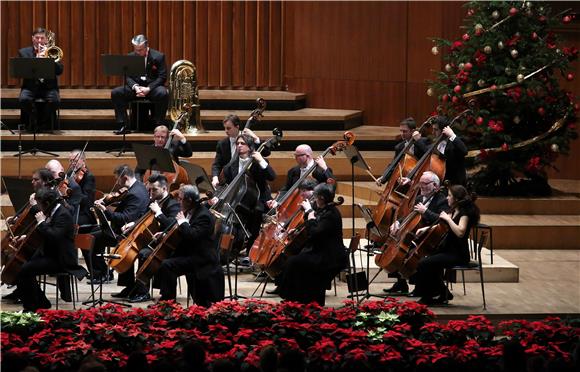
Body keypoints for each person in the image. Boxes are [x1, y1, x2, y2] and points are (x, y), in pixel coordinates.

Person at [14, 188, 87, 312]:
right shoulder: (53, 211)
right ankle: (41, 302)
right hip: (51, 254)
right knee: (21, 267)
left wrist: (41, 222)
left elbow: (55, 236)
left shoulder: (62, 214)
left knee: (24, 270)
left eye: (40, 205)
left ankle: (31, 308)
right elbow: (46, 232)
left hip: (61, 259)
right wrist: (25, 237)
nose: (39, 208)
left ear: (47, 203)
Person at [277, 183, 348, 305]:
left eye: (315, 196)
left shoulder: (331, 214)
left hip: (330, 256)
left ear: (321, 198)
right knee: (294, 260)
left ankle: (297, 299)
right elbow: (314, 229)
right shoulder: (325, 210)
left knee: (293, 262)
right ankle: (298, 299)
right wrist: (299, 230)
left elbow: (315, 232)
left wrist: (310, 214)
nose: (314, 199)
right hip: (321, 250)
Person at [156, 184, 224, 306]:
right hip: (191, 253)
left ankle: (168, 304)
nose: (178, 201)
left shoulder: (203, 216)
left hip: (202, 258)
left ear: (189, 200)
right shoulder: (190, 211)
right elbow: (183, 232)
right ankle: (166, 300)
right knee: (166, 261)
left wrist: (182, 221)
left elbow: (192, 236)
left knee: (168, 265)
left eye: (181, 199)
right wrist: (164, 234)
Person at [381, 171, 448, 295]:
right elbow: (410, 215)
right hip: (416, 235)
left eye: (425, 183)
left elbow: (443, 220)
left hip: (431, 238)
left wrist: (425, 211)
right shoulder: (419, 198)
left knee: (410, 254)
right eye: (420, 183)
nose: (421, 186)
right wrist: (398, 223)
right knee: (399, 251)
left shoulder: (441, 200)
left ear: (435, 185)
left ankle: (420, 287)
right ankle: (401, 284)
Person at [413, 185, 480, 305]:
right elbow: (443, 226)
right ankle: (443, 293)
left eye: (449, 196)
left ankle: (428, 297)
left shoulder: (465, 213)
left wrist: (448, 220)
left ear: (456, 198)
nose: (447, 198)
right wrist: (426, 229)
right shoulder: (454, 210)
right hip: (448, 250)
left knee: (424, 264)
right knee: (425, 262)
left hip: (458, 254)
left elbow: (460, 232)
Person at [118, 174, 180, 303]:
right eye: (150, 189)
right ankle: (130, 287)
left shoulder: (172, 204)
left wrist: (159, 213)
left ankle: (143, 291)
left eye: (155, 190)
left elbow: (172, 225)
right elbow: (143, 217)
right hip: (151, 240)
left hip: (165, 245)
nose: (151, 192)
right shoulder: (153, 201)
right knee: (124, 245)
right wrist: (132, 224)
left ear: (164, 189)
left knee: (143, 254)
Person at [214, 133, 277, 254]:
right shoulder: (232, 164)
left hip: (258, 197)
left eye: (242, 143)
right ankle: (225, 248)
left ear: (250, 146)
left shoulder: (259, 161)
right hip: (237, 198)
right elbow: (223, 185)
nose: (239, 146)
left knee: (257, 211)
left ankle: (250, 249)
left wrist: (261, 160)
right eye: (237, 143)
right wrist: (217, 197)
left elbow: (272, 177)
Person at [86, 165, 149, 284]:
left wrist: (105, 211)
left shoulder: (135, 194)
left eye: (117, 179)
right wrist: (107, 201)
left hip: (128, 234)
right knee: (93, 234)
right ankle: (118, 280)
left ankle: (102, 274)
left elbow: (124, 218)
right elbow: (126, 206)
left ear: (125, 178)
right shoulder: (138, 187)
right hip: (126, 230)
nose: (117, 182)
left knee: (92, 238)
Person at [111, 34, 168, 134]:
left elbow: (162, 77)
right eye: (136, 50)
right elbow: (127, 76)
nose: (138, 52)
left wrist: (148, 88)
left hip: (152, 89)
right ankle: (123, 125)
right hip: (136, 88)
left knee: (163, 93)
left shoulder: (158, 56)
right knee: (116, 93)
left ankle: (159, 126)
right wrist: (135, 87)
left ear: (146, 46)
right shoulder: (130, 57)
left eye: (140, 50)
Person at [18, 27, 64, 132]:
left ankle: (43, 123)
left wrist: (50, 60)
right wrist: (37, 59)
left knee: (55, 101)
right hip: (30, 87)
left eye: (42, 38)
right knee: (23, 99)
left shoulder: (53, 52)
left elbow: (59, 71)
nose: (39, 41)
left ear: (46, 40)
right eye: (37, 38)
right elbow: (22, 72)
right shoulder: (23, 52)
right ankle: (34, 120)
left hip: (49, 88)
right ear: (32, 38)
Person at [266, 144, 335, 209]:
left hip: (315, 205)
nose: (295, 158)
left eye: (298, 155)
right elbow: (287, 188)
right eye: (295, 155)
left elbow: (331, 186)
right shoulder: (293, 171)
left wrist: (325, 168)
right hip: (295, 204)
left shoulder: (321, 170)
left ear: (307, 156)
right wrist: (276, 201)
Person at [211, 114, 270, 188]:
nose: (226, 131)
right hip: (229, 182)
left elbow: (266, 153)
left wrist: (256, 138)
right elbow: (217, 164)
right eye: (225, 128)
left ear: (237, 126)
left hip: (249, 181)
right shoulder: (222, 144)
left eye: (228, 128)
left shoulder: (249, 140)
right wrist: (215, 177)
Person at [377, 117, 430, 185]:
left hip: (421, 177)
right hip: (406, 179)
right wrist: (383, 177)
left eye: (405, 131)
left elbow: (429, 154)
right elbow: (394, 164)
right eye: (401, 131)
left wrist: (418, 141)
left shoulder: (424, 141)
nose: (402, 134)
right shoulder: (399, 147)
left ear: (413, 131)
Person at [431, 115, 468, 186]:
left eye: (435, 130)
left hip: (454, 184)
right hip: (440, 183)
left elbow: (464, 151)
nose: (432, 132)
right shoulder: (436, 143)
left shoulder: (454, 142)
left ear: (444, 131)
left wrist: (452, 135)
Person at [67, 150, 97, 230]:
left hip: (84, 212)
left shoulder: (89, 177)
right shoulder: (70, 173)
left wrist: (75, 188)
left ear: (83, 160)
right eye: (70, 161)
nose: (72, 163)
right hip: (72, 208)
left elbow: (86, 200)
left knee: (64, 222)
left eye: (75, 161)